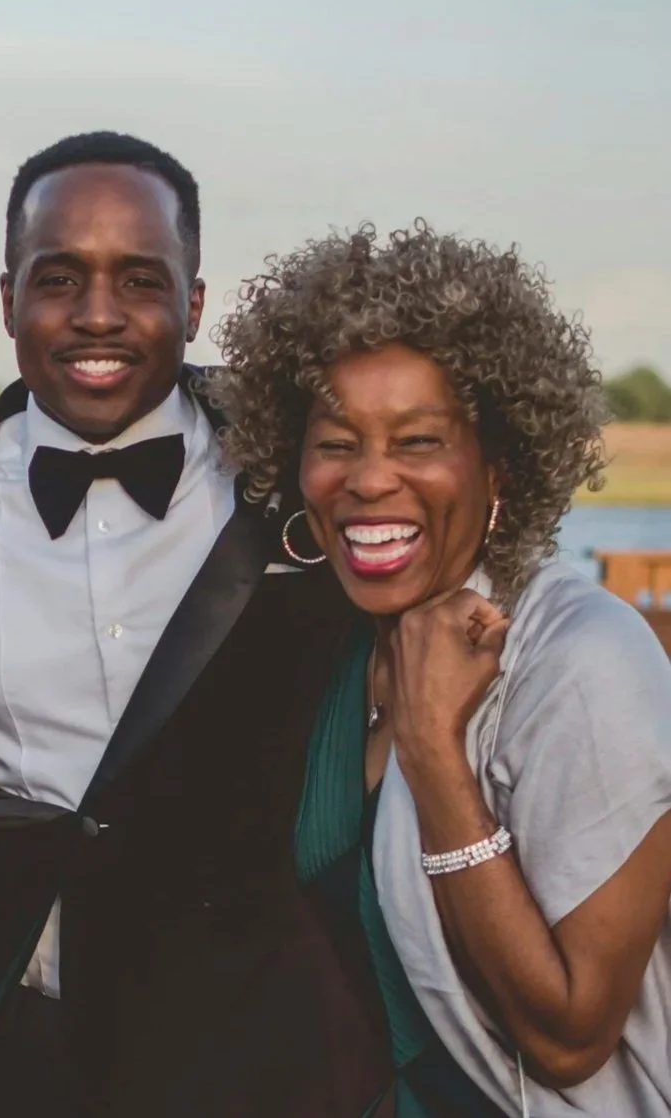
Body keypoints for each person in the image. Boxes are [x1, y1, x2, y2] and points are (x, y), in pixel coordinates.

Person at [0, 132, 387, 1116]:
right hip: (2, 1046)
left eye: (138, 279)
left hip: (274, 1052)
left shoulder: (307, 472)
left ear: (195, 301)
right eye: (59, 278)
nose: (97, 315)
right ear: (7, 299)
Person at [210, 223, 671, 1116]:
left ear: (498, 463)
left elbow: (571, 1036)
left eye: (417, 441)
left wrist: (432, 750)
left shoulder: (581, 661)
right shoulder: (341, 646)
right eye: (336, 441)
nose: (369, 480)